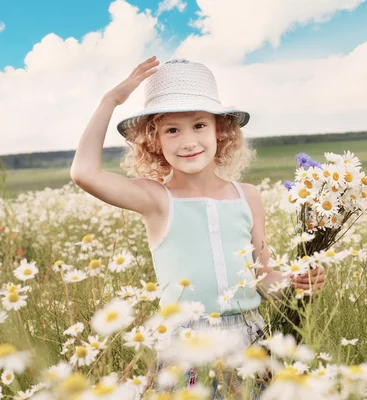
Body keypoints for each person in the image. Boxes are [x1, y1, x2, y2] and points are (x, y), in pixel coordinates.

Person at [70, 56, 327, 397]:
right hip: (185, 345)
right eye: (172, 130)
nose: (188, 141)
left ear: (221, 131)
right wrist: (111, 101)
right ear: (153, 140)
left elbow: (262, 276)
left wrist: (297, 282)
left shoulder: (247, 196)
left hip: (250, 339)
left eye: (199, 126)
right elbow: (84, 174)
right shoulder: (157, 200)